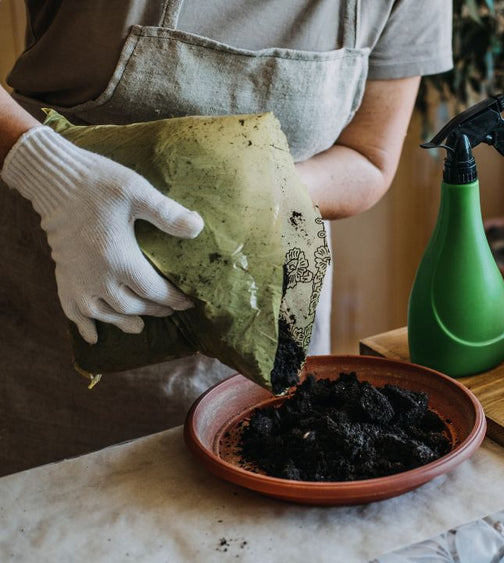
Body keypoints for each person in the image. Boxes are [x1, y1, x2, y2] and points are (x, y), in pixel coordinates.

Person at [0, 1, 453, 476]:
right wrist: (44, 169)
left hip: (268, 318)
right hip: (54, 307)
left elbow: (368, 158)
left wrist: (246, 189)